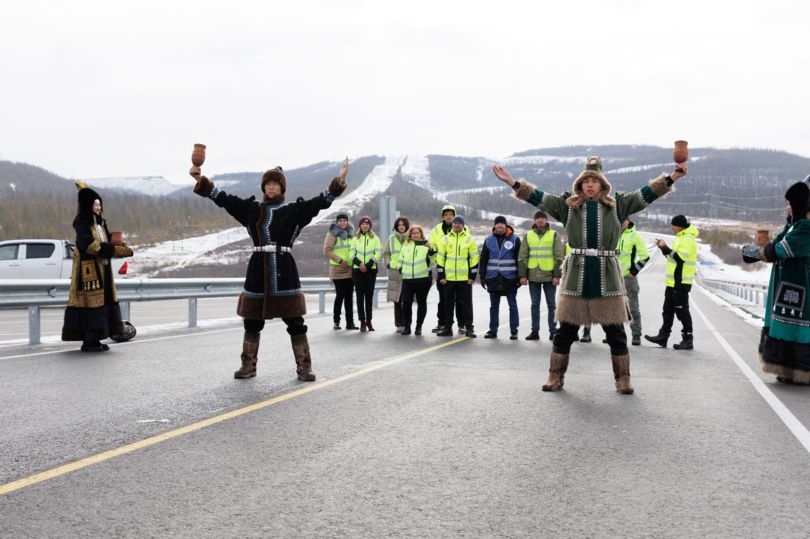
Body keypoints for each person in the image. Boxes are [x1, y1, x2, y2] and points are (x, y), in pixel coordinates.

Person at [494, 156, 686, 394]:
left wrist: (672, 177)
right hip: (577, 276)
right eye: (586, 180)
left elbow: (646, 194)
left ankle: (623, 379)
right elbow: (538, 197)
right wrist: (513, 183)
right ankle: (555, 376)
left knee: (616, 332)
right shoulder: (568, 205)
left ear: (603, 184)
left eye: (595, 180)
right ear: (580, 184)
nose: (590, 184)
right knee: (565, 331)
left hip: (608, 277)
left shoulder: (619, 205)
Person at [189, 159, 348, 381]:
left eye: (275, 183)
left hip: (285, 271)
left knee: (295, 322)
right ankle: (248, 366)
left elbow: (320, 202)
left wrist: (338, 182)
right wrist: (200, 180)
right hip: (257, 271)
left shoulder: (295, 211)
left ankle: (304, 367)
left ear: (282, 188)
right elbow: (223, 199)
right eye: (268, 184)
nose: (271, 187)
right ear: (263, 187)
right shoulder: (251, 210)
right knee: (252, 321)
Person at [742, 178, 810, 384]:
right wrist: (757, 252)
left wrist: (759, 253)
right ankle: (786, 368)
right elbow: (777, 241)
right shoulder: (794, 225)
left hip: (799, 286)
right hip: (786, 285)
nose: (787, 207)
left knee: (795, 326)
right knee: (783, 323)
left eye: (790, 203)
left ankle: (800, 370)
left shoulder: (805, 228)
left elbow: (782, 249)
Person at [62, 182, 136, 351]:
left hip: (103, 268)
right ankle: (89, 341)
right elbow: (90, 246)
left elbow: (108, 242)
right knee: (90, 303)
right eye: (95, 204)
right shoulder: (81, 223)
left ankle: (96, 339)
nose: (98, 207)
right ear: (88, 205)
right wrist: (112, 249)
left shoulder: (100, 224)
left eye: (99, 204)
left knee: (103, 301)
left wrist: (121, 247)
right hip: (88, 270)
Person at [644, 215, 698, 350]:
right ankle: (663, 337)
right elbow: (671, 257)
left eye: (673, 225)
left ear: (680, 226)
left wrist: (666, 248)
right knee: (667, 310)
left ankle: (688, 339)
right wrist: (664, 248)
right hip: (672, 282)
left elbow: (679, 258)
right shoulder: (679, 238)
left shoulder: (687, 239)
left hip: (680, 282)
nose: (671, 227)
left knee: (682, 311)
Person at [519, 210, 563, 341]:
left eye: (542, 218)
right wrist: (523, 275)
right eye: (537, 218)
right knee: (534, 305)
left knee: (551, 305)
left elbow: (559, 257)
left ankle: (553, 331)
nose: (540, 220)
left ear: (546, 220)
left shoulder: (553, 234)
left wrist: (557, 275)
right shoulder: (528, 235)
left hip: (549, 276)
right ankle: (535, 331)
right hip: (533, 275)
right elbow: (522, 256)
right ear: (534, 221)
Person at [604, 220, 650, 346]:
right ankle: (613, 334)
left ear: (628, 221)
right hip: (613, 277)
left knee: (633, 308)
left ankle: (636, 335)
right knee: (612, 307)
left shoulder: (635, 236)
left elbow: (645, 256)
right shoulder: (613, 234)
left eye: (623, 219)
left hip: (629, 278)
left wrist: (634, 271)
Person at [436, 215, 479, 338]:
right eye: (455, 223)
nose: (457, 225)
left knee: (467, 305)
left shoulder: (469, 239)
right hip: (448, 279)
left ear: (463, 225)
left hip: (464, 279)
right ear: (452, 225)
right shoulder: (445, 239)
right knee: (448, 305)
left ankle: (469, 328)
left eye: (460, 223)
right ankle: (448, 328)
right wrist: (441, 276)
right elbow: (440, 258)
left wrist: (472, 276)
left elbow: (475, 258)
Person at [480, 215, 521, 339]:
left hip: (510, 278)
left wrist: (521, 276)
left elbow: (519, 259)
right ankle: (493, 330)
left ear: (505, 225)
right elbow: (484, 259)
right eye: (497, 224)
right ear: (494, 226)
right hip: (493, 277)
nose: (499, 226)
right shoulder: (488, 240)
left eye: (502, 224)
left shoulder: (515, 239)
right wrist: (482, 276)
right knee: (494, 306)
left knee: (512, 305)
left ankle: (514, 330)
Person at [429, 204, 467, 334]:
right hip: (442, 267)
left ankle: (462, 324)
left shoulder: (463, 228)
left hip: (459, 270)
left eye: (451, 214)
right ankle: (442, 323)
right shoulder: (436, 230)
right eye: (446, 214)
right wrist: (431, 250)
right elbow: (432, 246)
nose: (448, 216)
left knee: (460, 300)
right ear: (443, 216)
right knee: (443, 298)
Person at [392, 225, 435, 336]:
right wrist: (400, 268)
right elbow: (400, 259)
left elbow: (433, 260)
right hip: (407, 280)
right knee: (406, 304)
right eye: (413, 233)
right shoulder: (406, 245)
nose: (416, 235)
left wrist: (431, 249)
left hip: (423, 280)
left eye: (418, 233)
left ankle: (419, 326)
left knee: (421, 303)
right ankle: (407, 327)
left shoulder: (427, 246)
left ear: (421, 234)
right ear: (410, 235)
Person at [323, 212, 358, 330]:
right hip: (338, 269)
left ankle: (350, 323)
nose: (342, 222)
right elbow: (327, 251)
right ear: (337, 222)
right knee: (340, 296)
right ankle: (336, 322)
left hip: (350, 269)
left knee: (349, 297)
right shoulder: (332, 234)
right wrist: (339, 260)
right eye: (340, 221)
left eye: (344, 220)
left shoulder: (350, 234)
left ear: (347, 222)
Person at [350, 215, 382, 332]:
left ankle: (369, 321)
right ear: (360, 226)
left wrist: (367, 265)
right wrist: (360, 264)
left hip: (370, 270)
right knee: (360, 297)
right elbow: (351, 254)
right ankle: (362, 321)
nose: (365, 226)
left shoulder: (375, 239)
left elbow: (377, 253)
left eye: (367, 224)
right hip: (358, 271)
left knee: (369, 297)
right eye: (363, 224)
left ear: (370, 226)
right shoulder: (355, 239)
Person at [383, 217, 409, 332]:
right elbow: (386, 253)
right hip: (395, 271)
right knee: (397, 299)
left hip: (408, 271)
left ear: (407, 226)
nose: (401, 226)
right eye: (399, 225)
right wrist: (389, 264)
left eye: (403, 224)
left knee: (406, 299)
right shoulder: (391, 238)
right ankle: (399, 324)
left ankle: (407, 323)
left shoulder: (411, 238)